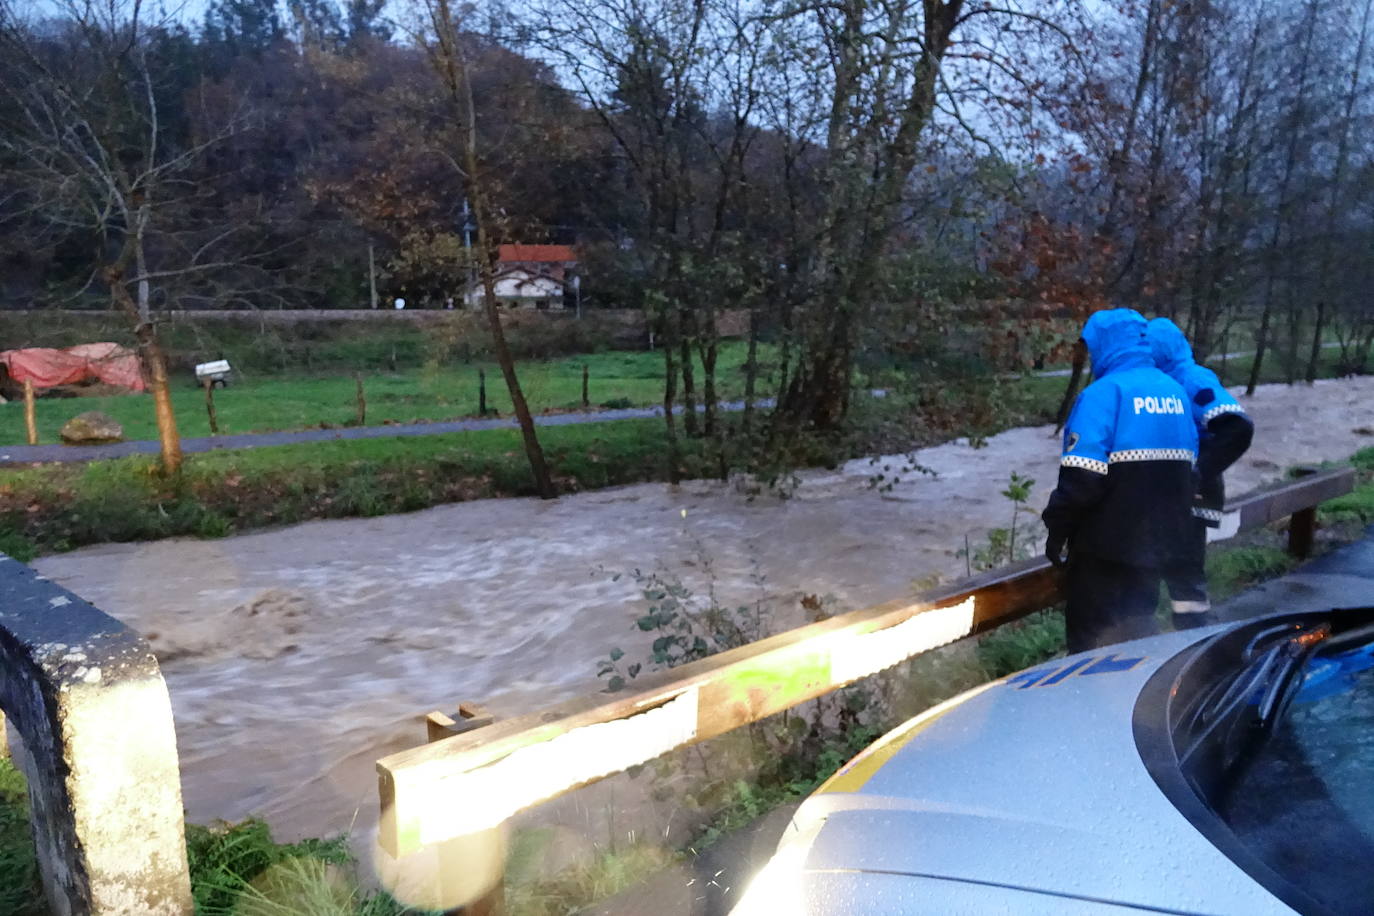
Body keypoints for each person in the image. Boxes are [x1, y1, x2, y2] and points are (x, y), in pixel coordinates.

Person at [1042, 308, 1199, 653]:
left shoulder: (1104, 395)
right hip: (1157, 547)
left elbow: (1082, 482)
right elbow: (1191, 471)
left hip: (1105, 551)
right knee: (1136, 638)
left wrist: (1056, 530)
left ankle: (1091, 705)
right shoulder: (1174, 392)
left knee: (1091, 646)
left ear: (1106, 344)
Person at [1146, 317, 1254, 630]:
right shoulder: (1161, 382)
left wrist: (1195, 474)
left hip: (1190, 497)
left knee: (1183, 573)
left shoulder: (1191, 379)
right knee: (1163, 572)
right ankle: (1171, 640)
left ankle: (1191, 642)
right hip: (1172, 497)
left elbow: (1238, 427)